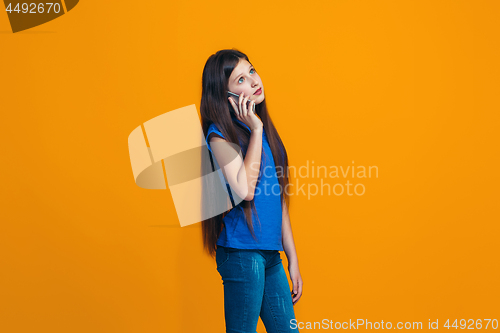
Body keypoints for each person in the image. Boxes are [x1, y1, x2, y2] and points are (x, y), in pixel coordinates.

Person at [200, 49, 303, 333]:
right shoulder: (219, 136)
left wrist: (292, 258)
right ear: (226, 97)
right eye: (241, 80)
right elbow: (245, 190)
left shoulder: (265, 134)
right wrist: (255, 130)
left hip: (271, 255)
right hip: (242, 254)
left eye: (252, 71)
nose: (254, 81)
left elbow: (278, 199)